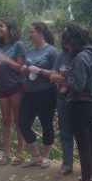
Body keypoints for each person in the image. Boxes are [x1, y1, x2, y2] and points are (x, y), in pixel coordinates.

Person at [50, 24, 92, 181]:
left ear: (70, 42)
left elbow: (78, 86)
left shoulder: (81, 57)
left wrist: (65, 77)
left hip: (80, 105)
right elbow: (87, 79)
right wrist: (72, 74)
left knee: (84, 147)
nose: (65, 46)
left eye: (65, 42)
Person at [18, 22, 59, 169]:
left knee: (46, 124)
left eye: (32, 32)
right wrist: (24, 69)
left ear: (40, 33)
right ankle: (35, 156)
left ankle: (46, 156)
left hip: (46, 92)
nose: (29, 35)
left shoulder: (52, 51)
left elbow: (57, 74)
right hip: (29, 92)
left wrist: (40, 70)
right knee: (22, 122)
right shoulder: (29, 52)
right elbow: (26, 71)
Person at [0, 17, 26, 166]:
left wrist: (5, 59)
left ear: (9, 28)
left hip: (17, 85)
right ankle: (6, 154)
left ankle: (20, 153)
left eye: (1, 26)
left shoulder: (19, 45)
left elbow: (20, 68)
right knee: (6, 120)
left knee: (18, 119)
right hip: (2, 86)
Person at [53, 51, 75, 177]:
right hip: (62, 98)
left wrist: (63, 76)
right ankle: (67, 163)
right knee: (65, 131)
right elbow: (52, 76)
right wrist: (65, 77)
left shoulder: (82, 54)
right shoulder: (61, 55)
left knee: (81, 133)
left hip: (79, 98)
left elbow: (81, 78)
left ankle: (87, 167)